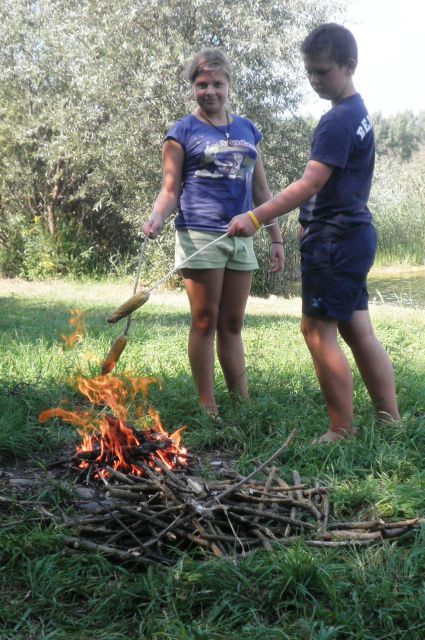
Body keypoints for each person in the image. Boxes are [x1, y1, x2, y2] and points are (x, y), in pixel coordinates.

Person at [227, 23, 401, 443]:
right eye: (309, 72)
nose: (315, 80)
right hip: (353, 234)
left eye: (323, 72)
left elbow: (310, 184)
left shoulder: (338, 121)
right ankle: (390, 419)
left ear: (349, 66)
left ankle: (342, 429)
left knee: (316, 330)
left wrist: (255, 218)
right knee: (358, 330)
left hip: (335, 239)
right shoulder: (357, 113)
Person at [143, 48, 284, 421]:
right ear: (192, 87)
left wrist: (276, 238)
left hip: (242, 237)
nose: (210, 91)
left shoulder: (248, 129)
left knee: (233, 324)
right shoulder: (181, 132)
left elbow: (263, 192)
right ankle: (208, 405)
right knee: (205, 321)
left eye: (217, 84)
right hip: (200, 235)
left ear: (229, 85)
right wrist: (157, 218)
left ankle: (242, 402)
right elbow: (170, 190)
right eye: (201, 84)